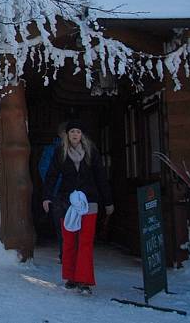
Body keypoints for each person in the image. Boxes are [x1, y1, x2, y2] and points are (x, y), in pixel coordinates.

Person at [42, 120, 113, 294]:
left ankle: (84, 280)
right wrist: (46, 197)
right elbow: (51, 175)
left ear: (82, 135)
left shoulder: (91, 152)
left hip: (90, 201)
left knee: (86, 242)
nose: (75, 135)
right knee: (69, 241)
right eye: (72, 131)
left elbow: (101, 177)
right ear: (67, 134)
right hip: (67, 202)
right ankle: (71, 278)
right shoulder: (61, 152)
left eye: (78, 132)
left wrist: (109, 201)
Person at [38, 122, 66, 261]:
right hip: (58, 194)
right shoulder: (51, 150)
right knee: (62, 225)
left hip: (75, 194)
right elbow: (44, 170)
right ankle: (65, 255)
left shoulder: (80, 149)